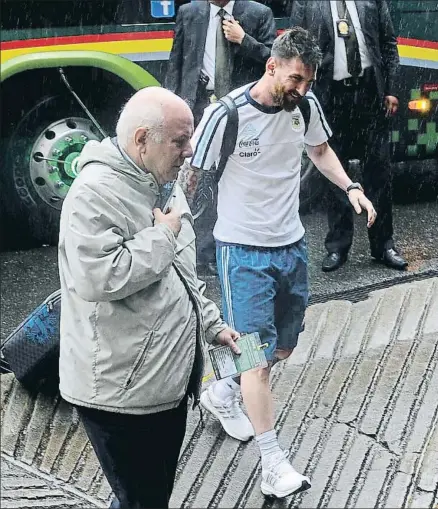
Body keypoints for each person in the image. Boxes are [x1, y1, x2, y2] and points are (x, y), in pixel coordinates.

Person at [180, 27, 377, 499]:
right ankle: (272, 461)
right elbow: (191, 174)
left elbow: (320, 149)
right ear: (272, 66)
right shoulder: (226, 115)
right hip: (241, 254)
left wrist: (350, 187)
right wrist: (171, 228)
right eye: (295, 79)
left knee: (282, 348)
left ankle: (221, 390)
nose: (302, 89)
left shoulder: (303, 108)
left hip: (290, 249)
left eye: (308, 81)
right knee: (258, 361)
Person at [58, 87, 241, 509]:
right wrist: (162, 236)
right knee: (144, 498)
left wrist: (211, 325)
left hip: (164, 387)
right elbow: (98, 277)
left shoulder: (162, 180)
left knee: (146, 495)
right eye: (180, 140)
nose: (190, 151)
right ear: (142, 139)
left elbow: (181, 270)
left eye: (190, 138)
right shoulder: (93, 193)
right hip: (121, 396)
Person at [290, 0, 408, 272]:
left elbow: (388, 45)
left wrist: (391, 89)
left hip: (370, 95)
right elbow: (297, 49)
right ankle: (337, 248)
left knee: (379, 173)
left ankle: (384, 246)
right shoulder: (306, 4)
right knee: (335, 175)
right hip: (331, 98)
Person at [165, 0, 277, 274]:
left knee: (234, 177)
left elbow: (273, 63)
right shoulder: (189, 13)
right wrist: (168, 104)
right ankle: (200, 252)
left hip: (240, 111)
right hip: (200, 105)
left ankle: (231, 244)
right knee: (199, 178)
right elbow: (177, 61)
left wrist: (244, 40)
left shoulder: (258, 14)